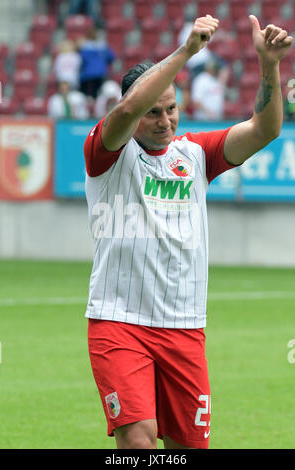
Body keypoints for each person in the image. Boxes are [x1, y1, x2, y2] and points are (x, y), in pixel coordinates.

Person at [83, 14, 292, 449]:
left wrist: (268, 64)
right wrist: (185, 52)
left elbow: (266, 129)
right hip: (119, 323)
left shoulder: (196, 154)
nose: (165, 120)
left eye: (172, 108)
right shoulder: (105, 153)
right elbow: (125, 109)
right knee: (138, 442)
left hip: (184, 328)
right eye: (153, 111)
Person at [77, 27, 115, 99]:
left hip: (88, 75)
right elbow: (111, 57)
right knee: (99, 96)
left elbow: (81, 60)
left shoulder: (84, 46)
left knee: (88, 97)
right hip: (100, 74)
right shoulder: (103, 46)